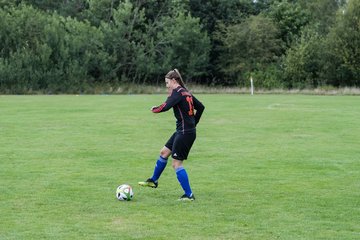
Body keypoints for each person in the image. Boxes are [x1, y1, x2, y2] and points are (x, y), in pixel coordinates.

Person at [138, 69, 205, 201]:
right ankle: (154, 180)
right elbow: (201, 107)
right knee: (164, 153)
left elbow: (166, 106)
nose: (166, 85)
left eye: (167, 82)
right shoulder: (186, 92)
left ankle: (189, 195)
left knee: (176, 164)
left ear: (174, 81)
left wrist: (154, 109)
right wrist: (193, 123)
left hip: (185, 133)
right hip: (184, 131)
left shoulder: (178, 92)